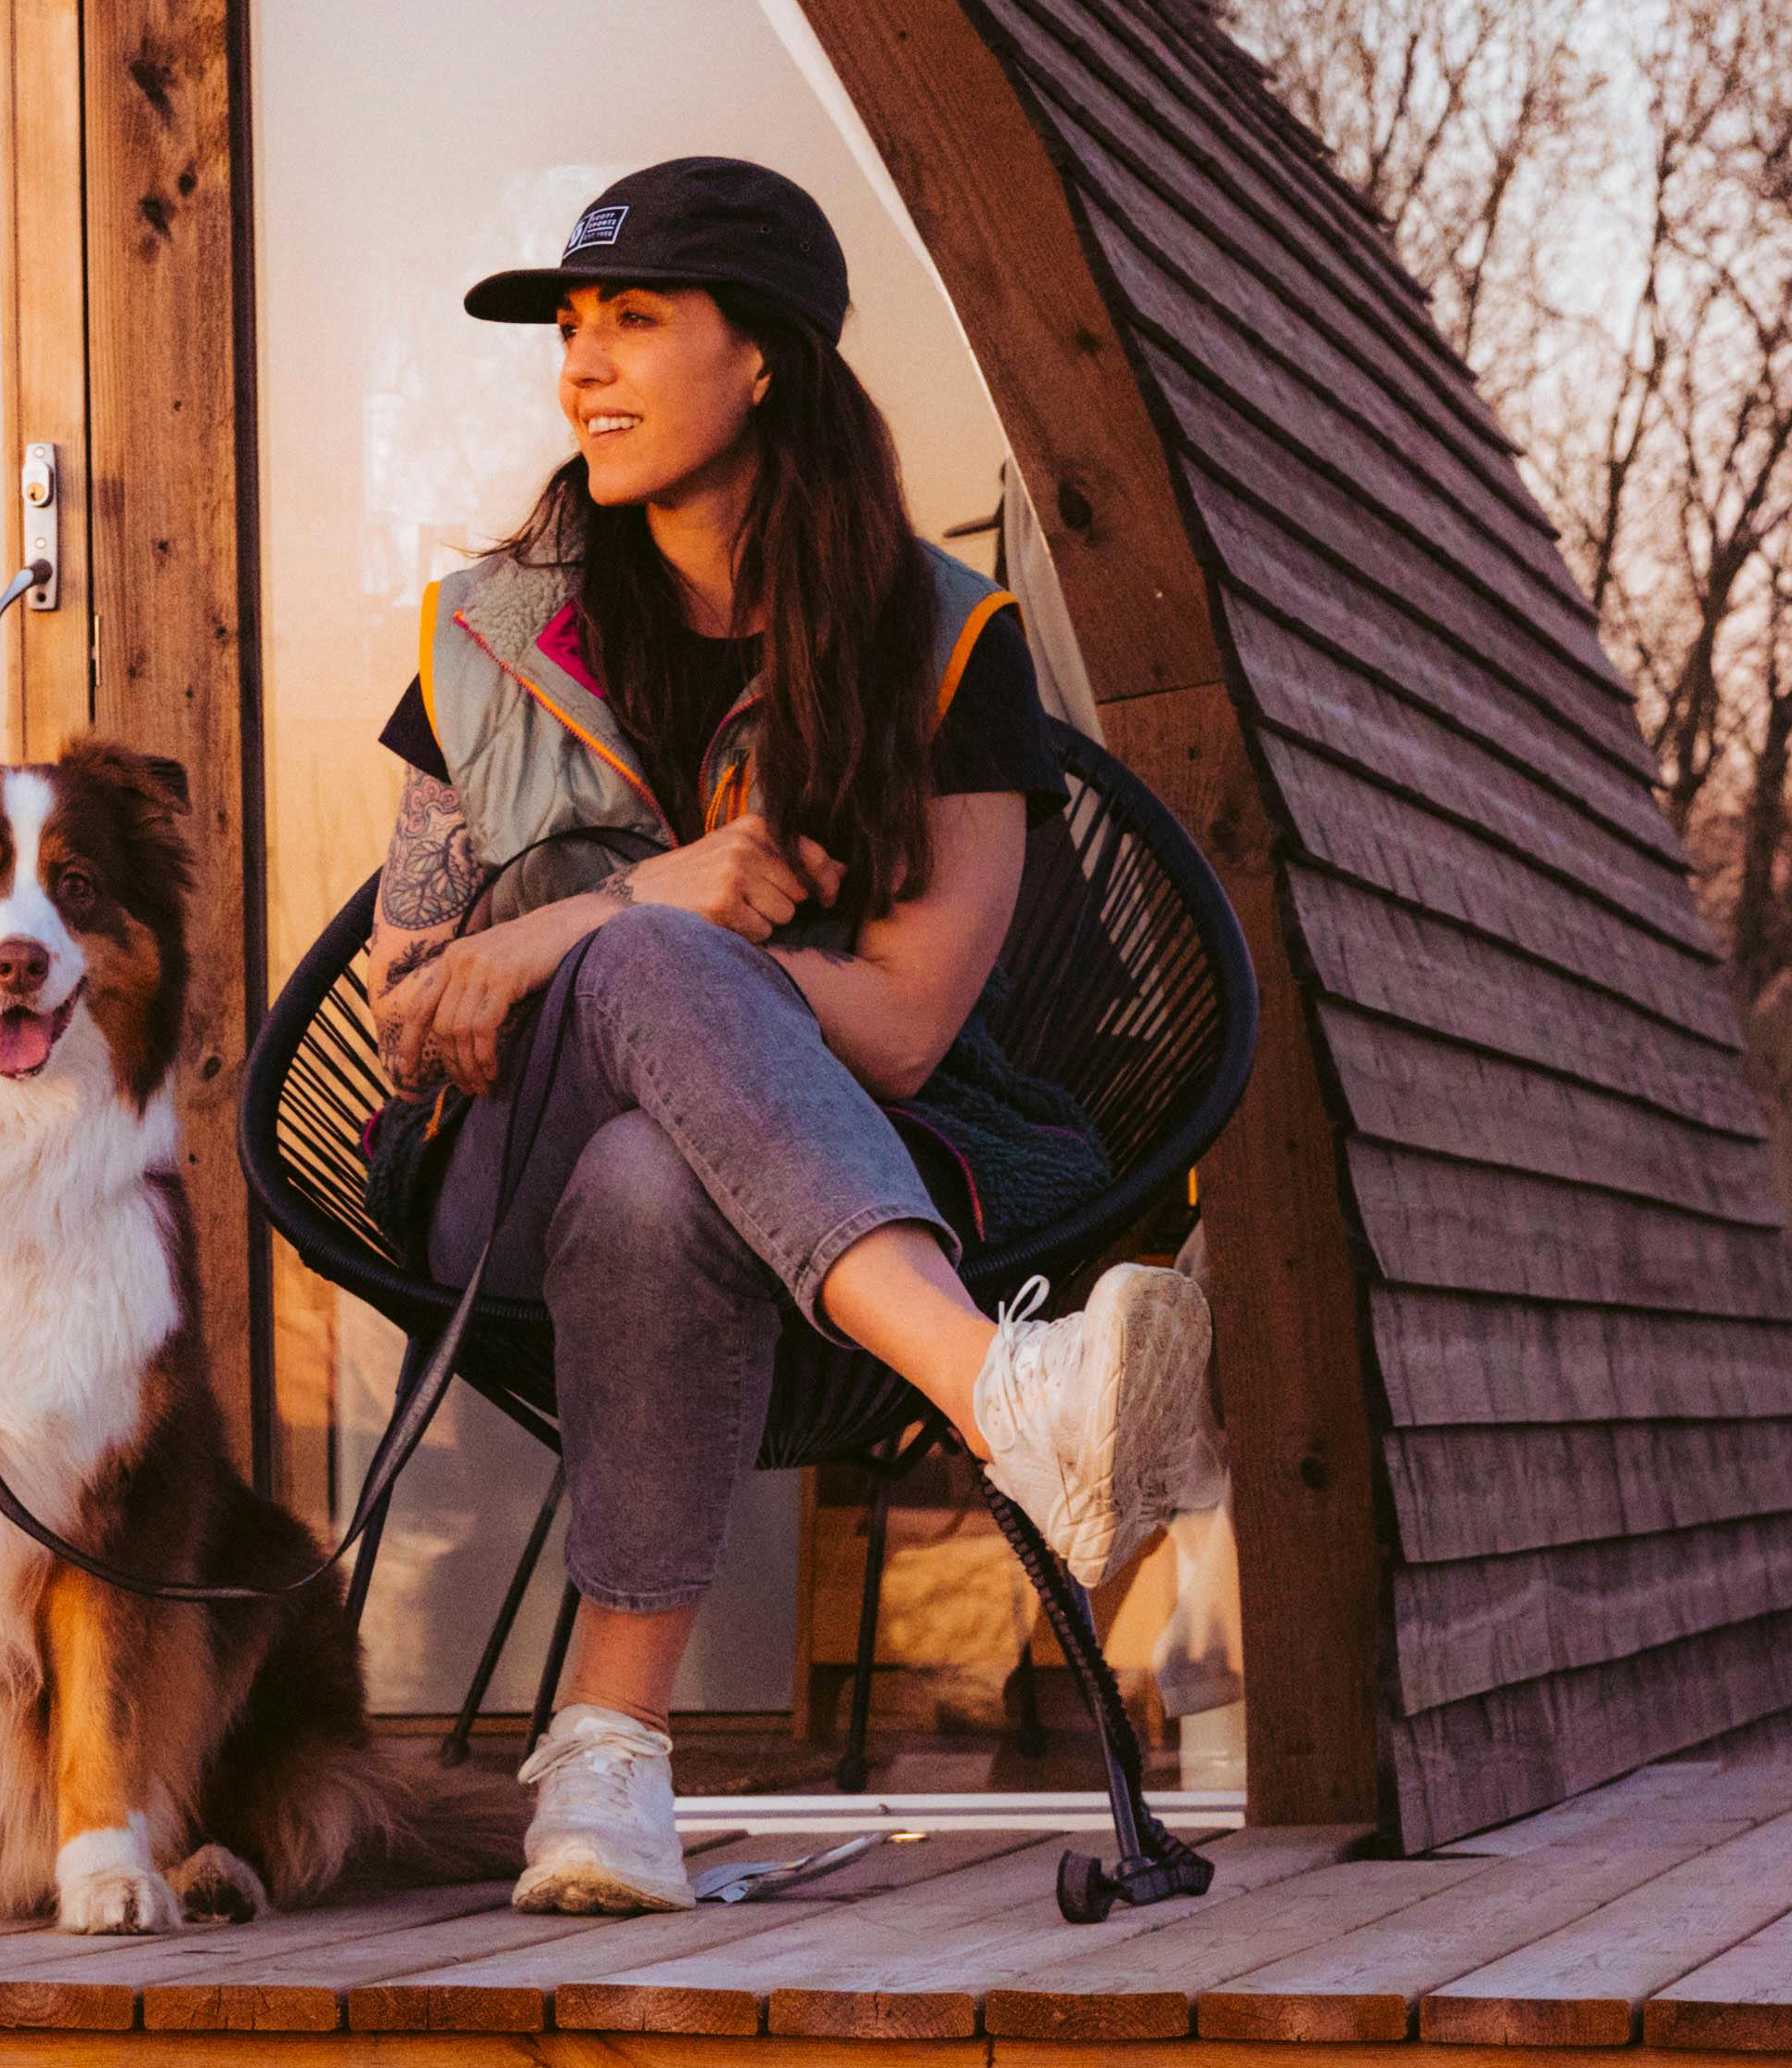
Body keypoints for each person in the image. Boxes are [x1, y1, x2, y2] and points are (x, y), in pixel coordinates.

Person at [357, 154, 1207, 1914]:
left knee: (655, 1174)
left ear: (768, 363)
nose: (582, 368)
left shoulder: (941, 645)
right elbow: (418, 1011)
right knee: (653, 967)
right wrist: (636, 908)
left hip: (771, 1202)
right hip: (482, 1186)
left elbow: (901, 1036)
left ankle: (605, 1774)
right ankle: (1002, 1391)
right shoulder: (486, 635)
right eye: (569, 330)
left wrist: (606, 933)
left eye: (636, 322)